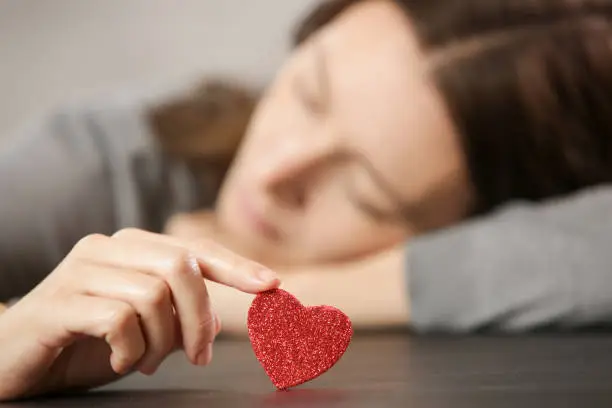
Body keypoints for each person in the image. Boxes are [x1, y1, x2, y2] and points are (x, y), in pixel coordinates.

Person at [2, 0, 612, 400]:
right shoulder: (90, 167)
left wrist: (277, 295)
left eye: (365, 193)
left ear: (480, 229)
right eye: (306, 92)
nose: (273, 170)